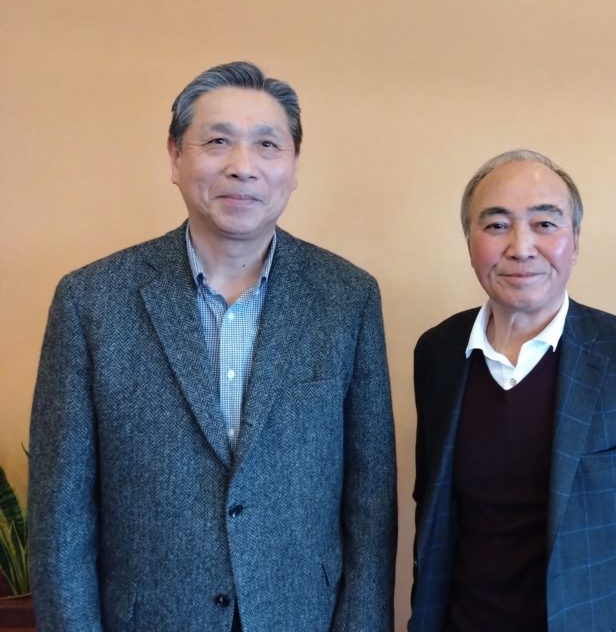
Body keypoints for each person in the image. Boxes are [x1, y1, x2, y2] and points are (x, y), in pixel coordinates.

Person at [29, 61, 397, 632]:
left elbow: (370, 505)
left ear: (294, 165)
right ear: (175, 156)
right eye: (217, 141)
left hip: (301, 616)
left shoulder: (346, 297)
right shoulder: (91, 300)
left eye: (267, 144)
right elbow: (61, 514)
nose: (242, 166)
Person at [409, 149, 616, 632]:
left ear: (575, 241)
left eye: (545, 224)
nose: (521, 247)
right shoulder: (438, 352)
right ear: (469, 241)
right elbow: (433, 512)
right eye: (497, 225)